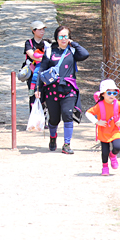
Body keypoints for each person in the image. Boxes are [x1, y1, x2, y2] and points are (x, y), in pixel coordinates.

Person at [36, 25, 89, 153]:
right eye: (61, 37)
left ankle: (66, 145)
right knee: (54, 119)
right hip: (51, 90)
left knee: (67, 115)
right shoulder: (50, 51)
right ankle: (53, 137)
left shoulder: (73, 51)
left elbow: (85, 54)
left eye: (66, 36)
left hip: (68, 90)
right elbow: (41, 70)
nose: (63, 39)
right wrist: (38, 89)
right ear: (56, 38)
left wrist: (73, 43)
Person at [86, 79, 120, 176]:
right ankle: (105, 167)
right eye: (109, 93)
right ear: (103, 94)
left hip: (114, 130)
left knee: (117, 147)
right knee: (104, 151)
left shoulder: (118, 104)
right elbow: (88, 113)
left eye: (114, 93)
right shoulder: (99, 105)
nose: (112, 95)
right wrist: (97, 122)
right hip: (103, 131)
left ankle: (113, 155)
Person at [23, 20, 49, 114]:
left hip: (45, 73)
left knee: (45, 96)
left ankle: (44, 117)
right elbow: (32, 56)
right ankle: (33, 117)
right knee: (34, 96)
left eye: (43, 29)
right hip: (33, 73)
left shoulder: (46, 42)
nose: (42, 31)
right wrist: (45, 58)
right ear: (33, 31)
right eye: (40, 29)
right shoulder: (29, 43)